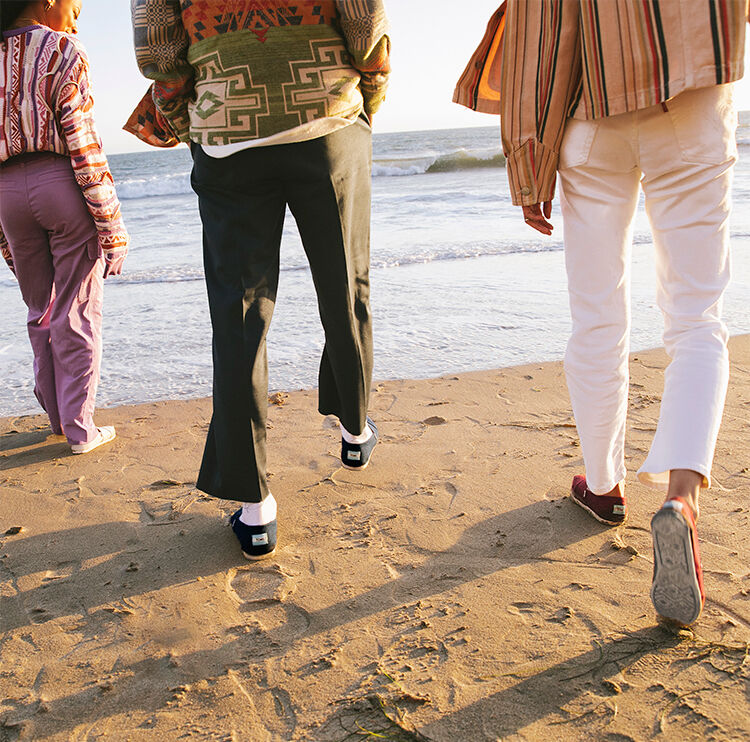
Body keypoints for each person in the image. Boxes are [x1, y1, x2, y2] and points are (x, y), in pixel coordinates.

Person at [498, 0, 748, 626]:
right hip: (690, 100)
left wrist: (530, 163)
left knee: (597, 317)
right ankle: (681, 500)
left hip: (590, 121)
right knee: (695, 317)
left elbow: (540, 31)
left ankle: (605, 484)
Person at [128, 1, 390, 560]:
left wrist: (189, 122)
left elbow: (159, 49)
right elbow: (365, 22)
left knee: (238, 318)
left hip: (229, 137)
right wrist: (367, 98)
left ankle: (255, 510)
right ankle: (353, 427)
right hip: (326, 120)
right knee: (344, 285)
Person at [0, 0, 128, 454]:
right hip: (60, 185)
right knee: (77, 309)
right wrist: (110, 223)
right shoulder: (61, 48)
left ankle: (58, 421)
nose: (80, 12)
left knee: (41, 312)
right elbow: (82, 138)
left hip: (8, 194)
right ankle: (80, 431)